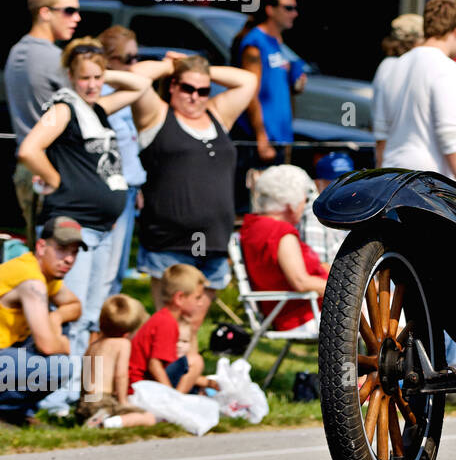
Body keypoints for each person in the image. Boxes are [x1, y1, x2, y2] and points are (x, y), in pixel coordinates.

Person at [17, 38, 152, 414]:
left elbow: (140, 86)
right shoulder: (64, 108)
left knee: (92, 316)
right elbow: (29, 149)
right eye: (85, 78)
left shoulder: (97, 107)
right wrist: (57, 181)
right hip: (74, 226)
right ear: (70, 77)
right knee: (73, 312)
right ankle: (54, 398)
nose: (92, 84)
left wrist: (102, 72)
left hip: (103, 226)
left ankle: (82, 395)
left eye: (97, 77)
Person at [130, 54, 259, 309]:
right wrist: (172, 66)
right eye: (188, 88)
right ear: (173, 86)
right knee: (169, 325)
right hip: (169, 242)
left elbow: (248, 81)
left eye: (203, 90)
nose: (195, 96)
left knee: (192, 327)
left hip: (214, 241)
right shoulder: (157, 115)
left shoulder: (218, 115)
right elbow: (136, 76)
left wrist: (203, 69)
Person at [4, 0, 84, 244]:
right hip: (49, 164)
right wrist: (58, 180)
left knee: (43, 252)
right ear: (45, 12)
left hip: (31, 167)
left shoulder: (18, 50)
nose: (77, 18)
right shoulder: (51, 58)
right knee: (58, 255)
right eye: (69, 11)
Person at [376, 0, 456, 186]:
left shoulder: (394, 65)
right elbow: (451, 136)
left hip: (391, 177)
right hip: (428, 185)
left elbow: (381, 135)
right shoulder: (445, 67)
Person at [0, 217, 84, 423]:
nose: (69, 259)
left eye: (74, 252)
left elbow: (75, 306)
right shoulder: (31, 280)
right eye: (62, 249)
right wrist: (63, 345)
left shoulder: (43, 274)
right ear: (41, 246)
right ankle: (11, 412)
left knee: (58, 325)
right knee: (60, 366)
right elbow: (47, 346)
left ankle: (14, 412)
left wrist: (55, 318)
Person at [241, 165, 328, 334]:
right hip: (303, 315)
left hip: (292, 311)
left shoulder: (254, 226)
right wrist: (345, 287)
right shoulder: (281, 233)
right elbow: (300, 282)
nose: (304, 206)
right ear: (291, 205)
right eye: (304, 201)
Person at [96, 27, 149, 294]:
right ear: (108, 60)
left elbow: (129, 147)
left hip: (129, 189)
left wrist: (137, 183)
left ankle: (106, 329)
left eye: (137, 57)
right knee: (106, 271)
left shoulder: (123, 92)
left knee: (115, 271)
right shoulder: (103, 94)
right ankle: (94, 329)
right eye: (128, 58)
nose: (135, 64)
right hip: (112, 190)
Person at [231, 0, 307, 164]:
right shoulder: (255, 42)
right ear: (270, 10)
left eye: (295, 8)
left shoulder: (277, 42)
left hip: (280, 135)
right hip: (263, 138)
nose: (294, 13)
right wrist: (261, 137)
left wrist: (296, 84)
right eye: (288, 8)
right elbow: (250, 92)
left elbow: (275, 87)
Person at [128, 263, 218, 394]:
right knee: (195, 361)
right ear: (179, 298)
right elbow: (155, 364)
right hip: (140, 386)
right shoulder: (167, 322)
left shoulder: (164, 318)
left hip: (143, 383)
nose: (200, 303)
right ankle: (176, 400)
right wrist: (170, 394)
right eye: (197, 297)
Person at [77, 294, 156, 429]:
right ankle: (105, 423)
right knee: (149, 418)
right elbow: (121, 375)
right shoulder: (122, 344)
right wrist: (123, 401)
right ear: (127, 333)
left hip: (85, 402)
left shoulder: (93, 345)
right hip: (103, 400)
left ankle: (97, 417)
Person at [371, 13, 425, 165]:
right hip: (398, 162)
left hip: (393, 160)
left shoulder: (388, 65)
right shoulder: (393, 67)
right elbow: (381, 128)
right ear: (415, 41)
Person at [300, 152, 354, 265]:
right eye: (336, 183)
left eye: (349, 182)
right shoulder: (314, 214)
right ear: (318, 183)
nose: (344, 188)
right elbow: (318, 264)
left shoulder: (353, 208)